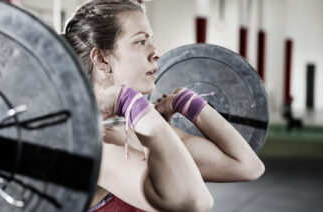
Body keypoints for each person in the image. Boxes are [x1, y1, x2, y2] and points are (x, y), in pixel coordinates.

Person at [63, 0, 265, 211]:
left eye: (151, 40)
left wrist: (187, 103)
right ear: (102, 60)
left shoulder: (140, 130)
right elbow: (195, 202)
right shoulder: (95, 145)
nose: (156, 52)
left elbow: (248, 166)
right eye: (141, 42)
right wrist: (132, 103)